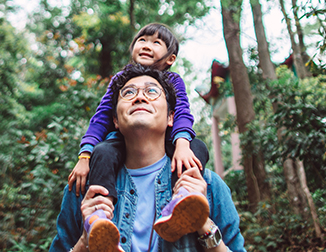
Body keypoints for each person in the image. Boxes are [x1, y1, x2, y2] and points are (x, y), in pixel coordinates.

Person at [49, 64, 246, 252]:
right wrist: (84, 243)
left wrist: (203, 223)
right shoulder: (84, 190)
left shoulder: (208, 186)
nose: (140, 97)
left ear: (171, 118)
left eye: (151, 91)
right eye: (128, 93)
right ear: (115, 121)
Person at [67, 23, 209, 202]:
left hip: (166, 138)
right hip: (124, 140)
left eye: (156, 42)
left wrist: (181, 143)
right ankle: (101, 210)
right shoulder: (121, 79)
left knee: (197, 147)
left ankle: (184, 198)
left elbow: (182, 112)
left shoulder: (173, 80)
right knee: (102, 152)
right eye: (141, 40)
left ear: (170, 59)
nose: (146, 45)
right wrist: (85, 154)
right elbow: (102, 116)